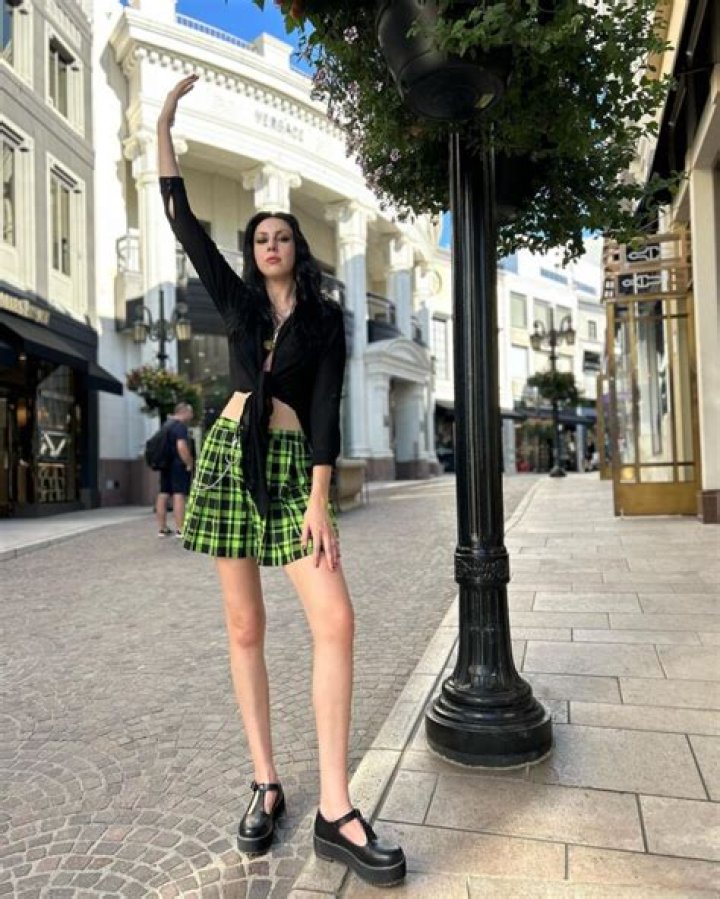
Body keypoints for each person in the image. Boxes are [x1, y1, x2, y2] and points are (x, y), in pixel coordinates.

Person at [155, 75, 406, 888]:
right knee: (244, 626)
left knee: (336, 618)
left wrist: (321, 496)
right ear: (252, 249)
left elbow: (327, 406)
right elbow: (181, 218)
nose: (270, 244)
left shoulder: (326, 321)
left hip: (296, 468)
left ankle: (336, 806)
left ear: (298, 247)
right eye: (261, 236)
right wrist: (165, 125)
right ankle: (266, 780)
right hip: (231, 462)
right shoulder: (237, 303)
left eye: (282, 236)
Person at [156, 402, 194, 538]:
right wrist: (189, 463)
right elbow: (181, 446)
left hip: (165, 464)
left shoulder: (166, 426)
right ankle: (180, 529)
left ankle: (162, 528)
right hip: (178, 465)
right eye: (190, 412)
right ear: (184, 412)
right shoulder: (180, 427)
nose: (192, 415)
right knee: (179, 495)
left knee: (163, 494)